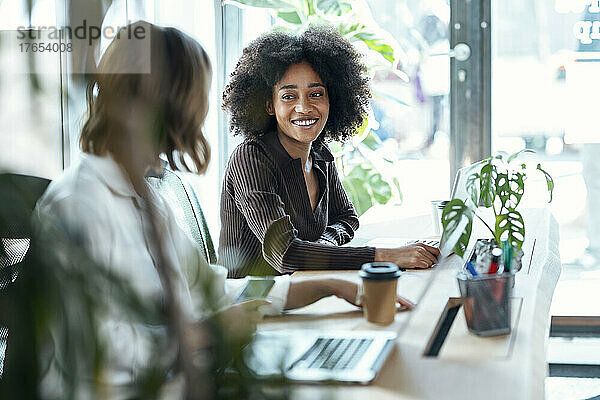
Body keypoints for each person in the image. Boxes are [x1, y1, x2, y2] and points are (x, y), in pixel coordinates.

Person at [34, 22, 413, 397]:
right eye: (195, 101)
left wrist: (328, 286)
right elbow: (93, 353)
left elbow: (214, 289)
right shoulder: (76, 205)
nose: (200, 117)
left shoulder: (146, 200)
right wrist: (209, 331)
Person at [220, 26, 440, 277]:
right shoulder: (251, 158)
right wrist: (385, 255)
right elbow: (285, 255)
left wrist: (324, 243)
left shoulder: (319, 154)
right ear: (269, 105)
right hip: (252, 305)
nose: (304, 107)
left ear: (331, 99)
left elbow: (346, 217)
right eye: (289, 96)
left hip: (306, 290)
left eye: (316, 94)